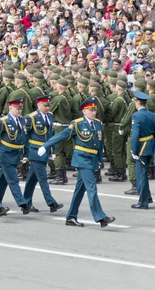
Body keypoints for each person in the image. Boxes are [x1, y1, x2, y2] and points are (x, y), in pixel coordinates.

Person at [38, 97, 116, 228]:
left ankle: (71, 217)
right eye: (90, 110)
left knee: (80, 190)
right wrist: (45, 146)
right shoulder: (77, 123)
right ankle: (101, 217)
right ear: (84, 111)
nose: (93, 112)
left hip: (92, 159)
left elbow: (99, 144)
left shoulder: (97, 123)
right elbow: (61, 135)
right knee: (92, 188)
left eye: (94, 110)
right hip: (82, 159)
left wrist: (99, 161)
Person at [22, 95, 64, 213]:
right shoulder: (31, 117)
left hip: (45, 151)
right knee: (43, 178)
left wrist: (53, 150)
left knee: (32, 179)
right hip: (35, 151)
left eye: (49, 105)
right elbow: (25, 135)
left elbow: (51, 135)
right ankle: (51, 203)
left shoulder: (50, 116)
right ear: (38, 104)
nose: (47, 107)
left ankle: (26, 203)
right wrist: (25, 152)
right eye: (45, 105)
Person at [0, 97, 30, 212]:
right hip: (6, 155)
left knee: (3, 181)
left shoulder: (23, 120)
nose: (19, 110)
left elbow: (24, 138)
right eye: (17, 108)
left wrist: (26, 154)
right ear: (10, 108)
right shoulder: (2, 121)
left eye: (21, 108)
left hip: (17, 154)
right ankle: (23, 204)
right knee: (13, 180)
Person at [130, 91, 155, 209]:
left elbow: (135, 135)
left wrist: (134, 151)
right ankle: (147, 197)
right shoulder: (153, 115)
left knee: (141, 174)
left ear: (137, 102)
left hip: (141, 146)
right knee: (144, 173)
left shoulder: (136, 116)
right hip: (151, 144)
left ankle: (143, 201)